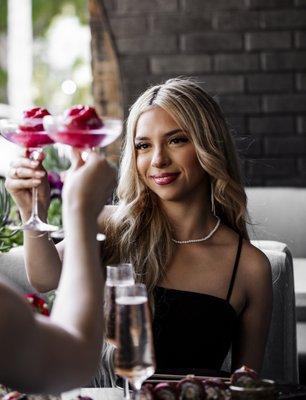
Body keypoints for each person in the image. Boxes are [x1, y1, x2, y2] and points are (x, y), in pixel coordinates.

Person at [6, 78, 272, 382]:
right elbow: (44, 277)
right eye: (143, 145)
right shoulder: (112, 225)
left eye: (176, 140)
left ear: (208, 145)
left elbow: (247, 387)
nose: (158, 159)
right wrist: (32, 211)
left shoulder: (251, 267)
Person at [1, 152, 116, 393]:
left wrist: (36, 213)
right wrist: (80, 211)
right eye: (143, 145)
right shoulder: (115, 223)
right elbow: (73, 357)